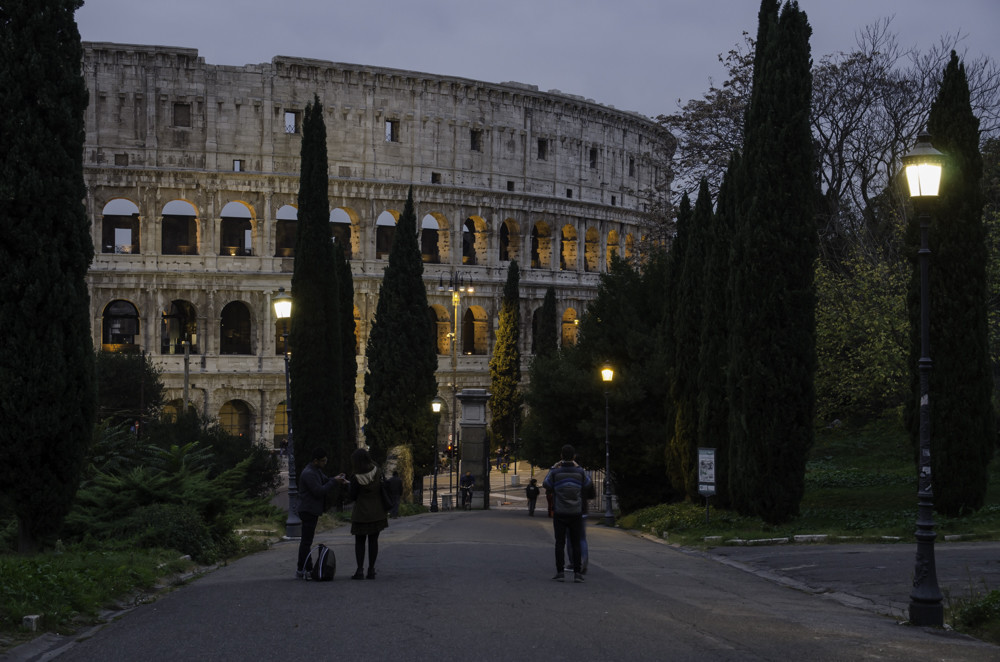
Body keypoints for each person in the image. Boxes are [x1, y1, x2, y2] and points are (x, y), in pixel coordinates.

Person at [542, 444, 592, 583]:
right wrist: (578, 466)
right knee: (576, 543)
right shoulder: (579, 472)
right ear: (574, 456)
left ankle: (560, 572)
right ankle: (577, 573)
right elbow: (588, 484)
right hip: (576, 512)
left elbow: (546, 484)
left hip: (560, 511)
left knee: (560, 542)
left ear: (561, 456)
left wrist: (553, 466)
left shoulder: (556, 472)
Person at [296, 447, 347, 579]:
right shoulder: (309, 473)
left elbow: (325, 480)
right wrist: (334, 481)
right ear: (315, 461)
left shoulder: (316, 470)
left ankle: (304, 567)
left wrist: (335, 479)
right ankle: (304, 568)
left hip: (311, 509)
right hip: (308, 510)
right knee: (306, 542)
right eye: (323, 461)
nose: (325, 463)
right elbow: (319, 490)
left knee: (307, 541)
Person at [348, 447, 389, 579]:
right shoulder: (377, 471)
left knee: (359, 542)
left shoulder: (355, 476)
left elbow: (352, 496)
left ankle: (360, 569)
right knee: (373, 541)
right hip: (377, 511)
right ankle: (371, 569)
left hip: (361, 513)